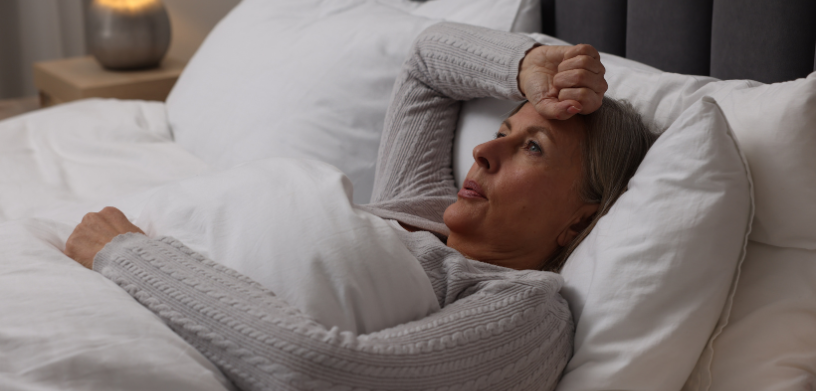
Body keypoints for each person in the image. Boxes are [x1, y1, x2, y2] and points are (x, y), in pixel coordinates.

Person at [64, 22, 655, 390]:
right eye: (503, 128)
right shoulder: (416, 201)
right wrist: (526, 67)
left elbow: (320, 374)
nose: (482, 150)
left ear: (580, 218)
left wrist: (130, 256)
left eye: (532, 147)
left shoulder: (529, 313)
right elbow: (427, 63)